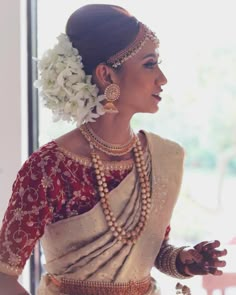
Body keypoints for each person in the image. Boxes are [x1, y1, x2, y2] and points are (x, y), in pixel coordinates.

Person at [0, 4, 227, 295]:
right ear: (107, 76)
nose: (162, 78)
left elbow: (153, 251)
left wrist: (184, 260)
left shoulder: (162, 158)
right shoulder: (49, 167)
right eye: (149, 64)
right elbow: (4, 275)